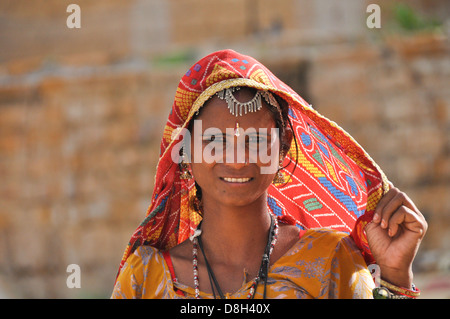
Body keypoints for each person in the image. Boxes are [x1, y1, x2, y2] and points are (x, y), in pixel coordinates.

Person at [111, 50, 427, 299]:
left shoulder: (330, 262)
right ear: (186, 153)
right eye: (215, 141)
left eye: (256, 141)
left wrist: (395, 276)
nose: (236, 160)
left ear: (283, 148)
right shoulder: (146, 278)